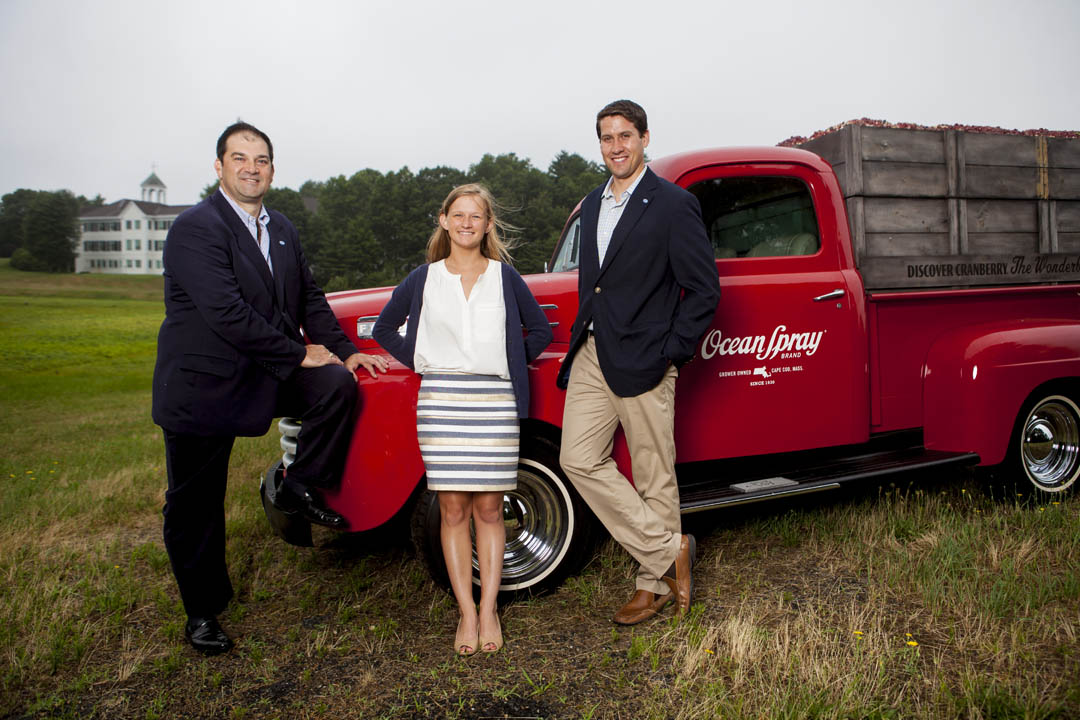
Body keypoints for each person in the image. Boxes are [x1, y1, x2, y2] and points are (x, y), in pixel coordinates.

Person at [152, 121, 387, 656]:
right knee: (196, 506)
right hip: (204, 384)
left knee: (335, 385)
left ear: (272, 170)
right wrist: (298, 352)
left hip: (265, 371)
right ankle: (202, 611)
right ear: (220, 167)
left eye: (261, 159)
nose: (251, 168)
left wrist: (346, 351)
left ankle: (296, 484)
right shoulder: (196, 228)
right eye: (240, 158)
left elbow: (309, 300)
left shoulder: (281, 227)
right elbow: (225, 312)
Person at [556, 100, 721, 625]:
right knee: (578, 458)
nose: (616, 146)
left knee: (654, 474)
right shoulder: (591, 202)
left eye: (626, 135)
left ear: (645, 138)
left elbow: (703, 289)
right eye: (607, 138)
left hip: (647, 355)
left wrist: (672, 349)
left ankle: (651, 587)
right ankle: (668, 550)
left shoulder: (672, 204)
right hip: (592, 351)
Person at [373, 184, 552, 655]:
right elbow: (384, 328)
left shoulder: (504, 277)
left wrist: (511, 359)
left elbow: (541, 330)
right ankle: (466, 612)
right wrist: (424, 358)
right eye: (459, 215)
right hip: (442, 401)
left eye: (477, 216)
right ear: (444, 220)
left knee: (490, 509)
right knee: (452, 508)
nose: (467, 223)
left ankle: (489, 607)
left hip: (493, 401)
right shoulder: (424, 278)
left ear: (488, 225)